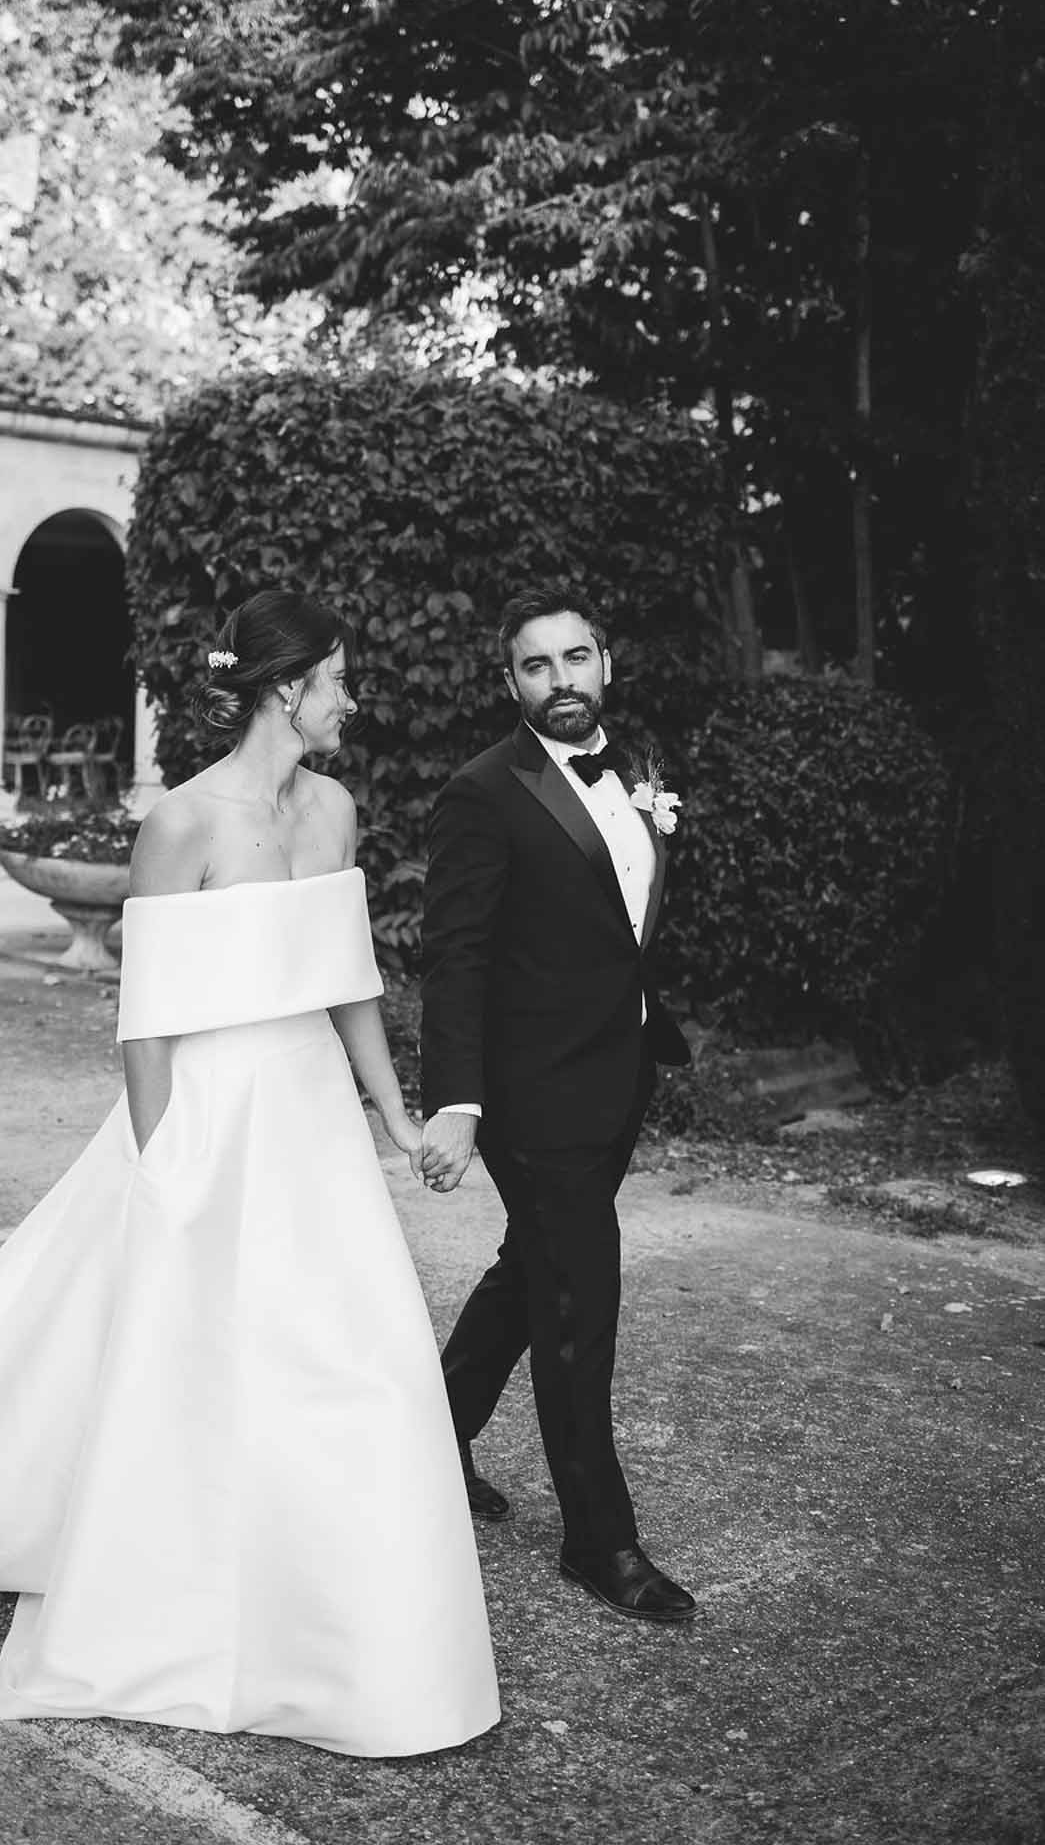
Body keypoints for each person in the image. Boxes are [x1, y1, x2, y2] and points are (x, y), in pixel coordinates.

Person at [0, 590, 499, 1758]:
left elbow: (347, 978)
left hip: (309, 1115)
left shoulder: (337, 811)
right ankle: (177, 1584)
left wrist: (396, 1114)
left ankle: (338, 1612)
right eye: (336, 680)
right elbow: (146, 1019)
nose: (348, 700)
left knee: (354, 1357)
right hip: (204, 1114)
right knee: (190, 1353)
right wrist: (165, 1169)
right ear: (285, 688)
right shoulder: (183, 822)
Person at [419, 585, 697, 1624]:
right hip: (532, 1097)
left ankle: (430, 1432)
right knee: (580, 1300)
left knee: (534, 1267)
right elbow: (456, 954)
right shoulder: (483, 792)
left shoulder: (638, 767)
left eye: (576, 656)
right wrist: (456, 1098)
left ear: (606, 664)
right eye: (536, 665)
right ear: (511, 681)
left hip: (618, 1071)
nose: (561, 678)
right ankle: (600, 1539)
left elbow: (624, 916)